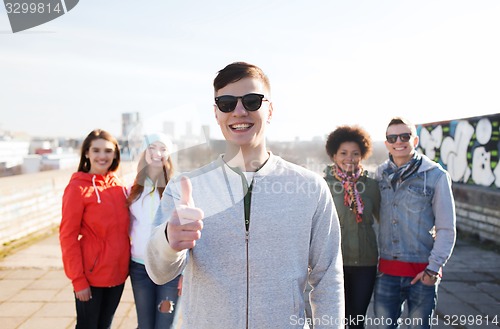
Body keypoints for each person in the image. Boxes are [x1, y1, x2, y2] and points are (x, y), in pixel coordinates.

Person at [145, 62, 344, 328]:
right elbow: (159, 273)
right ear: (216, 113)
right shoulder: (186, 188)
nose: (239, 111)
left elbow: (328, 278)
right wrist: (169, 240)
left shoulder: (310, 187)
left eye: (252, 101)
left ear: (270, 109)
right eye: (227, 103)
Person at [374, 117, 456, 329]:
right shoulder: (380, 174)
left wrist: (433, 269)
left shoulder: (435, 175)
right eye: (392, 137)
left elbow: (446, 228)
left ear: (415, 140)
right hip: (386, 273)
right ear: (386, 143)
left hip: (422, 273)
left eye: (405, 136)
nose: (398, 141)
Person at [60, 129, 130, 329]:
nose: (102, 156)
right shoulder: (77, 189)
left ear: (115, 154)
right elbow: (68, 237)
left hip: (118, 275)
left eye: (108, 151)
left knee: (105, 325)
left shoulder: (118, 185)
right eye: (96, 150)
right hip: (91, 277)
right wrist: (78, 280)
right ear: (86, 153)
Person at [324, 125, 380, 329]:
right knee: (335, 321)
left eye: (356, 153)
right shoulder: (324, 186)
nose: (350, 158)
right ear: (334, 155)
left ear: (362, 155)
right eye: (344, 153)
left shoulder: (371, 186)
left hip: (365, 263)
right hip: (333, 264)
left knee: (356, 321)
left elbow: (387, 219)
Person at [127, 133, 181, 329]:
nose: (157, 153)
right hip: (140, 268)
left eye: (163, 149)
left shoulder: (177, 188)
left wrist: (185, 272)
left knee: (165, 325)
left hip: (170, 269)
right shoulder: (133, 189)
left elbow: (188, 231)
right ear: (144, 152)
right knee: (145, 326)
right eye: (152, 148)